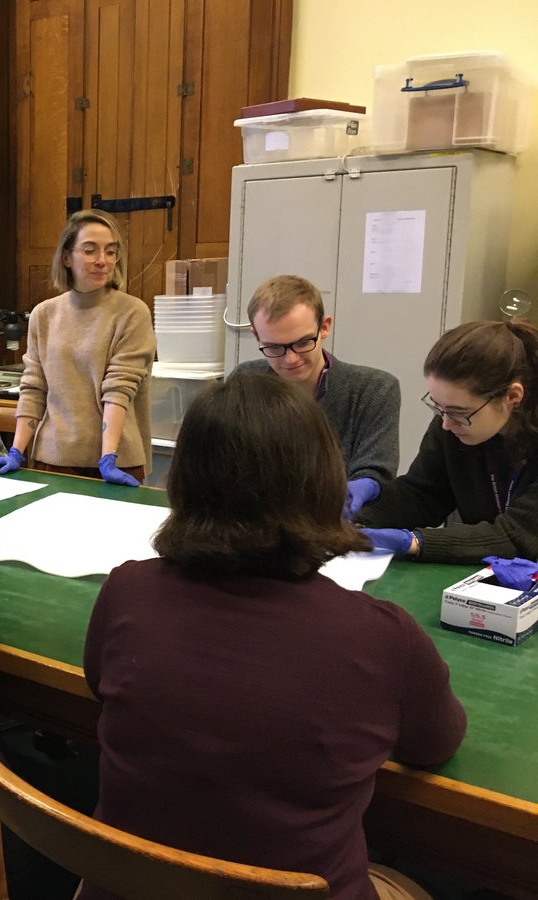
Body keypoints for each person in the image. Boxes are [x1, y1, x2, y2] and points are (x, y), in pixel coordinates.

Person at [82, 374, 465, 900]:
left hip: (127, 882)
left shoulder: (127, 589)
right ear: (323, 479)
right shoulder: (380, 636)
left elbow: (98, 685)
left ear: (184, 478)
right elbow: (436, 743)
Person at [354, 320, 538, 564]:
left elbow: (517, 537)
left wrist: (416, 542)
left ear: (512, 396)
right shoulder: (454, 424)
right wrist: (363, 510)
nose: (446, 425)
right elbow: (424, 495)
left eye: (459, 412)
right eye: (438, 408)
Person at [0, 209, 154, 485]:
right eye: (90, 250)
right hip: (54, 459)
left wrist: (108, 458)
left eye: (110, 251)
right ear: (67, 257)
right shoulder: (44, 315)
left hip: (117, 464)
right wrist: (17, 451)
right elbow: (34, 387)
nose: (102, 261)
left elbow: (119, 389)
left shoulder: (132, 313)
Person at [230, 275, 400, 487]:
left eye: (302, 343)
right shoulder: (245, 382)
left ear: (324, 328)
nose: (290, 359)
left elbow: (375, 470)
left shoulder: (373, 390)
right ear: (256, 336)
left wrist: (363, 488)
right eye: (274, 347)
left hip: (337, 516)